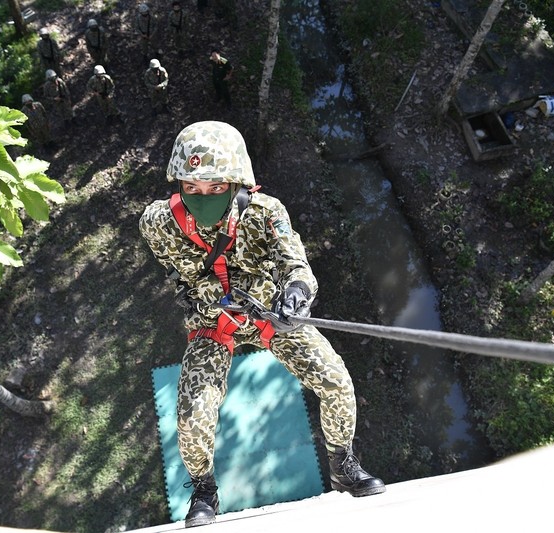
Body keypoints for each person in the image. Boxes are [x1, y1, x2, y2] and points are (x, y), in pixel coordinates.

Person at [138, 121, 386, 529]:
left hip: (270, 313)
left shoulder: (266, 214)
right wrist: (203, 298)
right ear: (179, 185)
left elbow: (295, 264)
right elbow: (176, 273)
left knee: (336, 381)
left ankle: (342, 462)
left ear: (237, 183)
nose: (203, 198)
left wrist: (296, 295)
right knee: (192, 416)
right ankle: (204, 489)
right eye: (192, 188)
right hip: (213, 322)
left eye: (216, 187)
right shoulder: (157, 224)